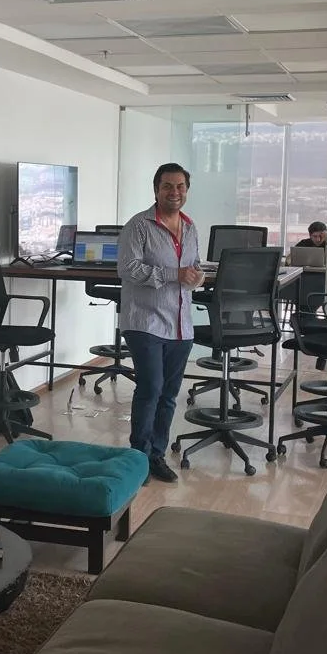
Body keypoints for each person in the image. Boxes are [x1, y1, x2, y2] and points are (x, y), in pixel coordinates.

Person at [117, 162, 203, 483]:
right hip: (145, 321)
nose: (175, 192)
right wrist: (174, 275)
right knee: (151, 387)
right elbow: (127, 269)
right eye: (168, 186)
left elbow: (193, 266)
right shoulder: (138, 226)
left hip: (181, 324)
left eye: (180, 186)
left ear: (186, 190)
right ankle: (138, 456)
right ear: (156, 189)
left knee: (169, 394)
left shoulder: (191, 227)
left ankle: (157, 454)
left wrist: (196, 276)